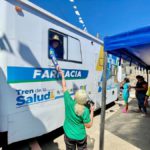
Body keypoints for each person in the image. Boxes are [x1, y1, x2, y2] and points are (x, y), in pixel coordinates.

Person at [59, 69, 94, 150]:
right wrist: (92, 111)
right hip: (80, 137)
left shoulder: (69, 101)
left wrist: (63, 75)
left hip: (68, 134)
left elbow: (64, 87)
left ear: (75, 97)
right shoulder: (85, 110)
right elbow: (88, 125)